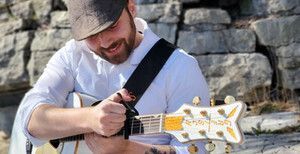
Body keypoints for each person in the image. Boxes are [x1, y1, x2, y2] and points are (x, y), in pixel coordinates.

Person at [17, 0, 210, 153]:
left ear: (131, 8)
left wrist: (127, 150)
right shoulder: (72, 56)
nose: (105, 41)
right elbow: (30, 119)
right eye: (91, 35)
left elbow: (193, 151)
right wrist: (90, 118)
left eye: (112, 26)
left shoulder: (180, 67)